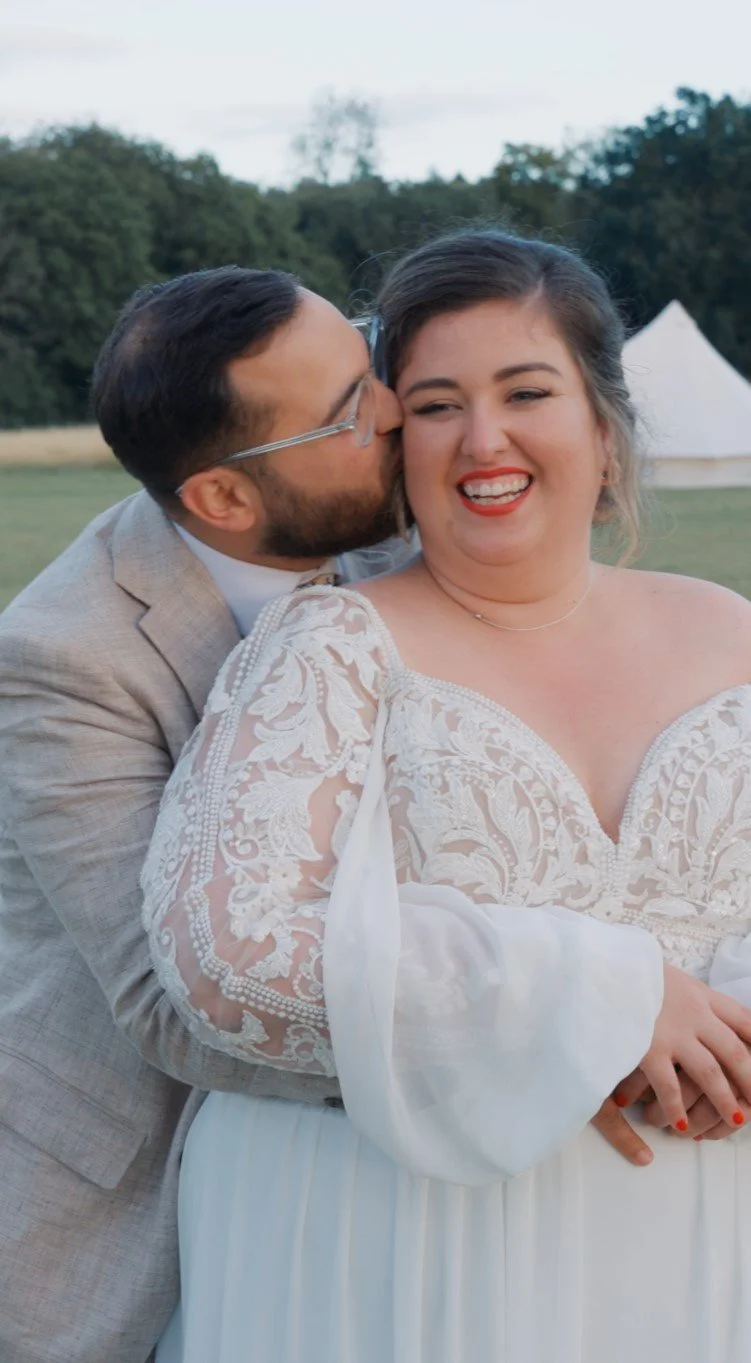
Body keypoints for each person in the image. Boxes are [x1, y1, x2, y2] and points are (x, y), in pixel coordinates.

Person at [144, 231, 751, 1363]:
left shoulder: (733, 630)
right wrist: (601, 1002)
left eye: (527, 390)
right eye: (433, 405)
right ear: (392, 444)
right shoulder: (327, 646)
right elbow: (226, 963)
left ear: (604, 426)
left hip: (700, 1242)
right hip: (401, 1252)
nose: (484, 437)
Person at [0, 265, 411, 1363]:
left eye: (369, 361)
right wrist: (544, 1042)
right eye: (347, 413)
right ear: (224, 500)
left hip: (387, 1178)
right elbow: (169, 1001)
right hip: (140, 1166)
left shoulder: (397, 533)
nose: (395, 408)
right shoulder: (63, 657)